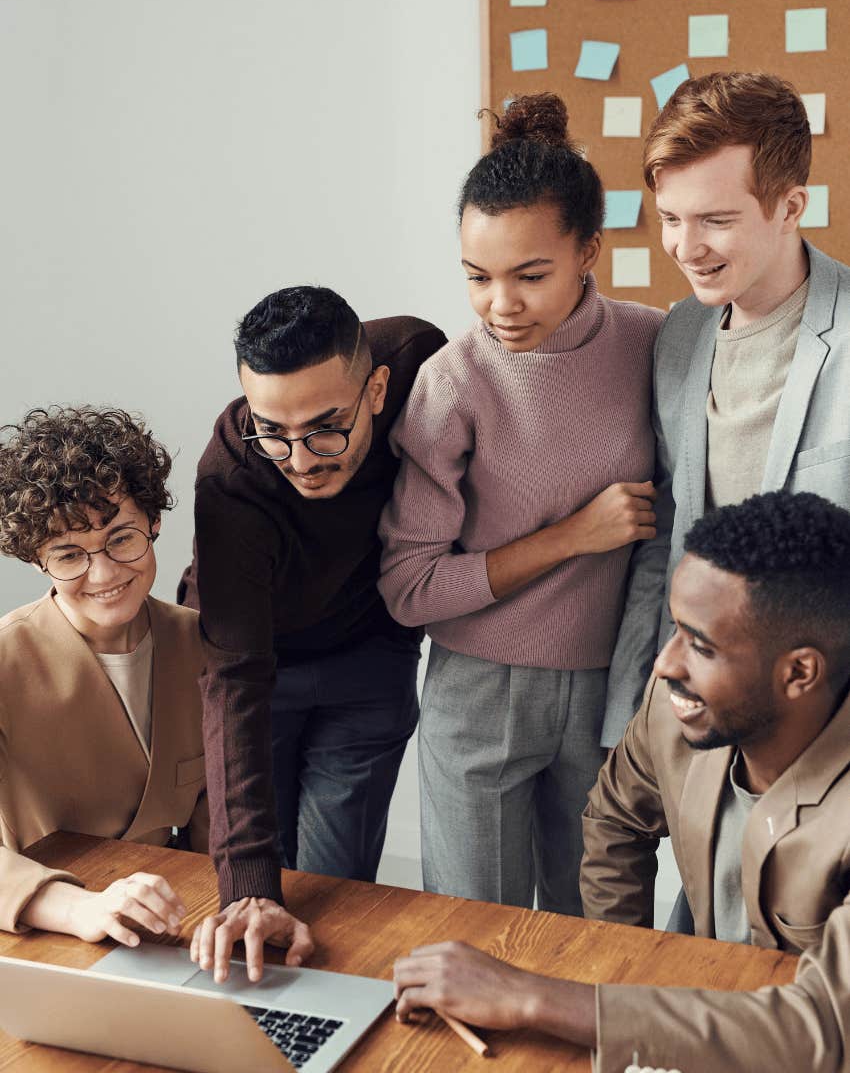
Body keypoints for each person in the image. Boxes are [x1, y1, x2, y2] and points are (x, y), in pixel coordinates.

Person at [394, 490, 850, 1073]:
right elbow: (614, 819)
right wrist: (623, 990)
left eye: (700, 645)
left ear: (799, 672)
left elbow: (817, 1037)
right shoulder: (684, 709)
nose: (664, 663)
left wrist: (537, 998)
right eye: (674, 629)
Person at [378, 93, 664, 915]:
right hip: (478, 688)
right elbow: (409, 588)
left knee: (598, 933)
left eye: (529, 275)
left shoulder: (654, 343)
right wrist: (574, 536)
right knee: (476, 937)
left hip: (611, 686)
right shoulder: (454, 379)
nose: (500, 304)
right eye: (477, 277)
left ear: (590, 253)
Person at [179, 287, 445, 982]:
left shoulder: (419, 360)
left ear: (378, 388)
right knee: (255, 900)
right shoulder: (233, 476)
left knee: (335, 900)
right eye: (273, 430)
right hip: (251, 667)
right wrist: (248, 888)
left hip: (368, 659)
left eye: (327, 428)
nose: (299, 458)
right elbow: (234, 676)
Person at [604, 70, 850, 747]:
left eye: (715, 220)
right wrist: (636, 710)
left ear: (790, 206)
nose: (686, 247)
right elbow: (669, 530)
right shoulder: (678, 334)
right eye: (672, 219)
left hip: (829, 721)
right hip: (700, 716)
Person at [0, 406, 208, 943]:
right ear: (35, 559)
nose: (105, 573)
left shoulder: (202, 644)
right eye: (68, 554)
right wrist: (78, 910)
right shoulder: (5, 659)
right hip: (44, 925)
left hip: (177, 917)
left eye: (122, 538)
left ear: (155, 521)